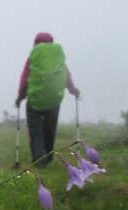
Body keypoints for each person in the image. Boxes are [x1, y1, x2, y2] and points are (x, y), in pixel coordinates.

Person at [15, 32, 80, 168]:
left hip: (35, 100)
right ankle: (49, 157)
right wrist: (73, 91)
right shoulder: (57, 58)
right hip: (53, 100)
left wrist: (20, 97)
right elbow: (66, 76)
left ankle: (39, 161)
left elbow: (25, 78)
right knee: (50, 130)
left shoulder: (34, 56)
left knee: (36, 131)